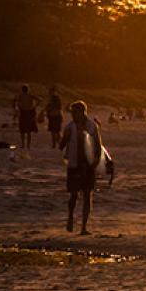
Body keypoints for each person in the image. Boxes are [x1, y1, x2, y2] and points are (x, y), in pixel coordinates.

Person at [62, 101, 103, 235]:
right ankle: (70, 218)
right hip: (74, 164)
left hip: (88, 164)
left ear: (82, 112)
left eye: (75, 113)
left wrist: (96, 161)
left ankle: (84, 227)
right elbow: (61, 145)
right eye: (72, 113)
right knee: (73, 195)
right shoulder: (69, 127)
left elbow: (98, 145)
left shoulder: (92, 126)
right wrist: (65, 138)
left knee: (87, 195)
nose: (73, 115)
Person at [14, 85, 39, 149]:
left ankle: (23, 145)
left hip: (23, 112)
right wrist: (34, 106)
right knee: (28, 130)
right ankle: (28, 145)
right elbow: (39, 100)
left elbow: (15, 101)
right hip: (29, 112)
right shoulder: (30, 95)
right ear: (28, 90)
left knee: (22, 130)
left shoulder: (20, 96)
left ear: (22, 90)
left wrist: (17, 108)